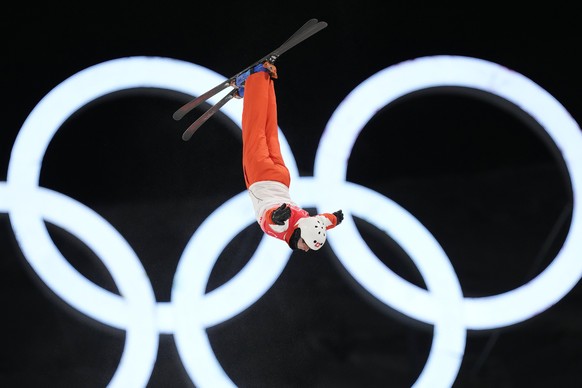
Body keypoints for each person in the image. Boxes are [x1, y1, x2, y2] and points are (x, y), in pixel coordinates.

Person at [233, 60, 343, 252]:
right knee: (254, 127)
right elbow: (272, 221)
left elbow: (325, 221)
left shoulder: (310, 222)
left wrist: (335, 219)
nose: (305, 249)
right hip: (261, 176)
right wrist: (274, 217)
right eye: (305, 245)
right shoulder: (283, 228)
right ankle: (255, 78)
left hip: (282, 178)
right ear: (301, 235)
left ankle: (263, 80)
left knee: (269, 127)